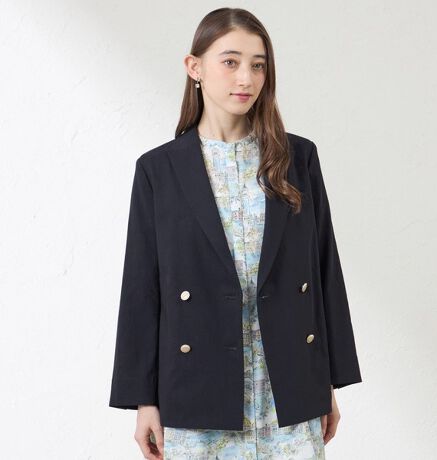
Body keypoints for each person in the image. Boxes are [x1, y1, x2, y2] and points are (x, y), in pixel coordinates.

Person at [109, 7, 362, 460]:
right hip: (198, 392)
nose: (246, 77)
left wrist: (326, 383)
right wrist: (144, 401)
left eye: (258, 65)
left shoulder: (297, 159)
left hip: (288, 390)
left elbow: (324, 270)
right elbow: (142, 290)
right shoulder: (159, 171)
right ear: (195, 67)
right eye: (230, 61)